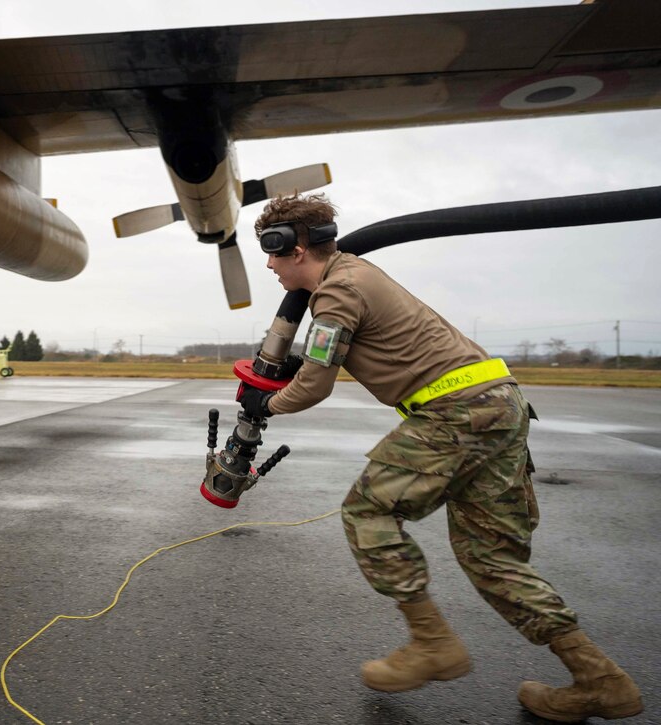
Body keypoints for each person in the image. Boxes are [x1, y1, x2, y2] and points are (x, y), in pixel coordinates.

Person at [240, 193, 642, 722]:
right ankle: (600, 679)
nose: (268, 264)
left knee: (368, 512)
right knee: (492, 559)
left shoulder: (337, 291)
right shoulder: (356, 276)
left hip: (456, 412)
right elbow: (326, 360)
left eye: (271, 251)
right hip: (497, 404)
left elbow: (315, 385)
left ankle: (431, 644)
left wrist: (267, 402)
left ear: (294, 246)